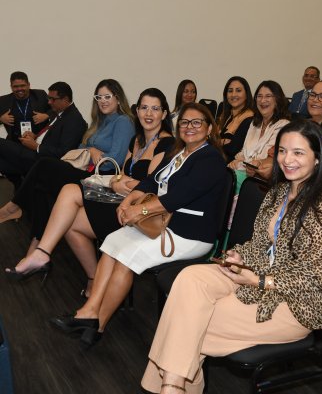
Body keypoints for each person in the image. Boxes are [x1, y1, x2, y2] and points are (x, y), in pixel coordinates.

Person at [140, 119, 322, 394]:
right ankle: (174, 386)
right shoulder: (279, 192)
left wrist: (259, 281)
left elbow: (316, 278)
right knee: (189, 280)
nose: (287, 159)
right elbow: (260, 242)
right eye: (283, 151)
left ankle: (171, 387)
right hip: (257, 276)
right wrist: (239, 256)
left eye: (298, 152)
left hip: (298, 303)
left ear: (318, 157)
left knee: (187, 323)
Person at [48, 102, 227, 347]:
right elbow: (151, 182)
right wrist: (128, 200)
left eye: (197, 122)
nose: (189, 127)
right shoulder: (179, 153)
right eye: (184, 122)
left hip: (190, 234)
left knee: (124, 257)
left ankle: (97, 324)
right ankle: (90, 312)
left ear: (209, 129)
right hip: (165, 225)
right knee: (112, 242)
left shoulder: (210, 159)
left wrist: (138, 210)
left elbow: (178, 197)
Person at [5, 88, 174, 297]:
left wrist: (123, 183)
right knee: (68, 214)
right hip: (118, 197)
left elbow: (151, 187)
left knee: (59, 186)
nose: (149, 114)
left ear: (164, 114)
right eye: (144, 108)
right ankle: (83, 274)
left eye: (155, 109)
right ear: (137, 111)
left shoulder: (167, 143)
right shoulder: (137, 140)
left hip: (136, 212)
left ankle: (43, 252)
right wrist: (121, 182)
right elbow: (120, 176)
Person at [0, 79, 135, 248]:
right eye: (99, 97)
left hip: (100, 179)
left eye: (107, 96)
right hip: (85, 170)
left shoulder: (122, 121)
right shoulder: (100, 120)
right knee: (41, 186)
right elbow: (80, 147)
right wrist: (91, 150)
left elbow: (114, 160)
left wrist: (91, 150)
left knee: (44, 165)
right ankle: (37, 247)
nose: (103, 101)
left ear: (118, 97)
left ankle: (15, 207)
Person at [0, 81, 87, 189]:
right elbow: (49, 134)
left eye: (52, 99)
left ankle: (23, 187)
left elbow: (64, 152)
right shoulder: (61, 113)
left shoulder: (74, 120)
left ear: (64, 99)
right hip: (35, 152)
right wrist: (34, 136)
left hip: (42, 159)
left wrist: (36, 147)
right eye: (48, 98)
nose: (49, 102)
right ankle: (23, 186)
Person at [228, 80, 290, 184]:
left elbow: (267, 159)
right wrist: (236, 161)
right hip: (242, 172)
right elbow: (244, 151)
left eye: (268, 96)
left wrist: (243, 163)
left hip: (260, 180)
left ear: (277, 100)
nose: (262, 100)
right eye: (259, 96)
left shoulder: (284, 125)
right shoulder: (254, 123)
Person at [0, 71, 50, 142]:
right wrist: (1, 119)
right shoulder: (3, 100)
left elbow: (57, 110)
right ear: (11, 87)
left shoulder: (40, 95)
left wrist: (46, 115)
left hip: (38, 140)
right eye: (15, 86)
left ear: (28, 85)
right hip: (15, 142)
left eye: (22, 85)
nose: (19, 89)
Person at [219, 76, 254, 163]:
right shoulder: (226, 116)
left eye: (238, 90)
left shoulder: (250, 119)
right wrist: (223, 141)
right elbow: (210, 139)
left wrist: (218, 142)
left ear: (246, 94)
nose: (233, 94)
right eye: (230, 91)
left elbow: (233, 149)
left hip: (231, 167)